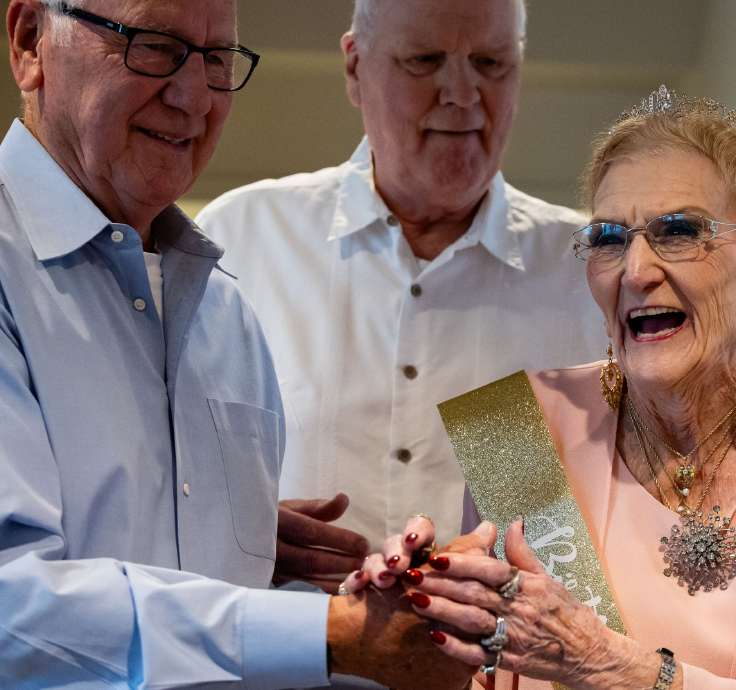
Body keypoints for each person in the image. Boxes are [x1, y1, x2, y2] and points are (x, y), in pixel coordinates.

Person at [354, 88, 736, 689]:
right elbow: (494, 676)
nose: (637, 270)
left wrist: (607, 663)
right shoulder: (514, 430)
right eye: (608, 239)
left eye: (678, 232)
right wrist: (420, 625)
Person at [0, 1, 481, 687]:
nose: (462, 97)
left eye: (218, 59)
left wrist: (417, 616)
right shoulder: (259, 237)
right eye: (154, 46)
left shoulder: (566, 276)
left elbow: (557, 544)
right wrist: (332, 634)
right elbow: (14, 608)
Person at [196, 0, 606, 590]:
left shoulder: (585, 273)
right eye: (425, 60)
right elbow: (171, 479)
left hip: (497, 675)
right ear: (354, 68)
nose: (463, 94)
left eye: (491, 62)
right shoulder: (241, 240)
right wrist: (233, 534)